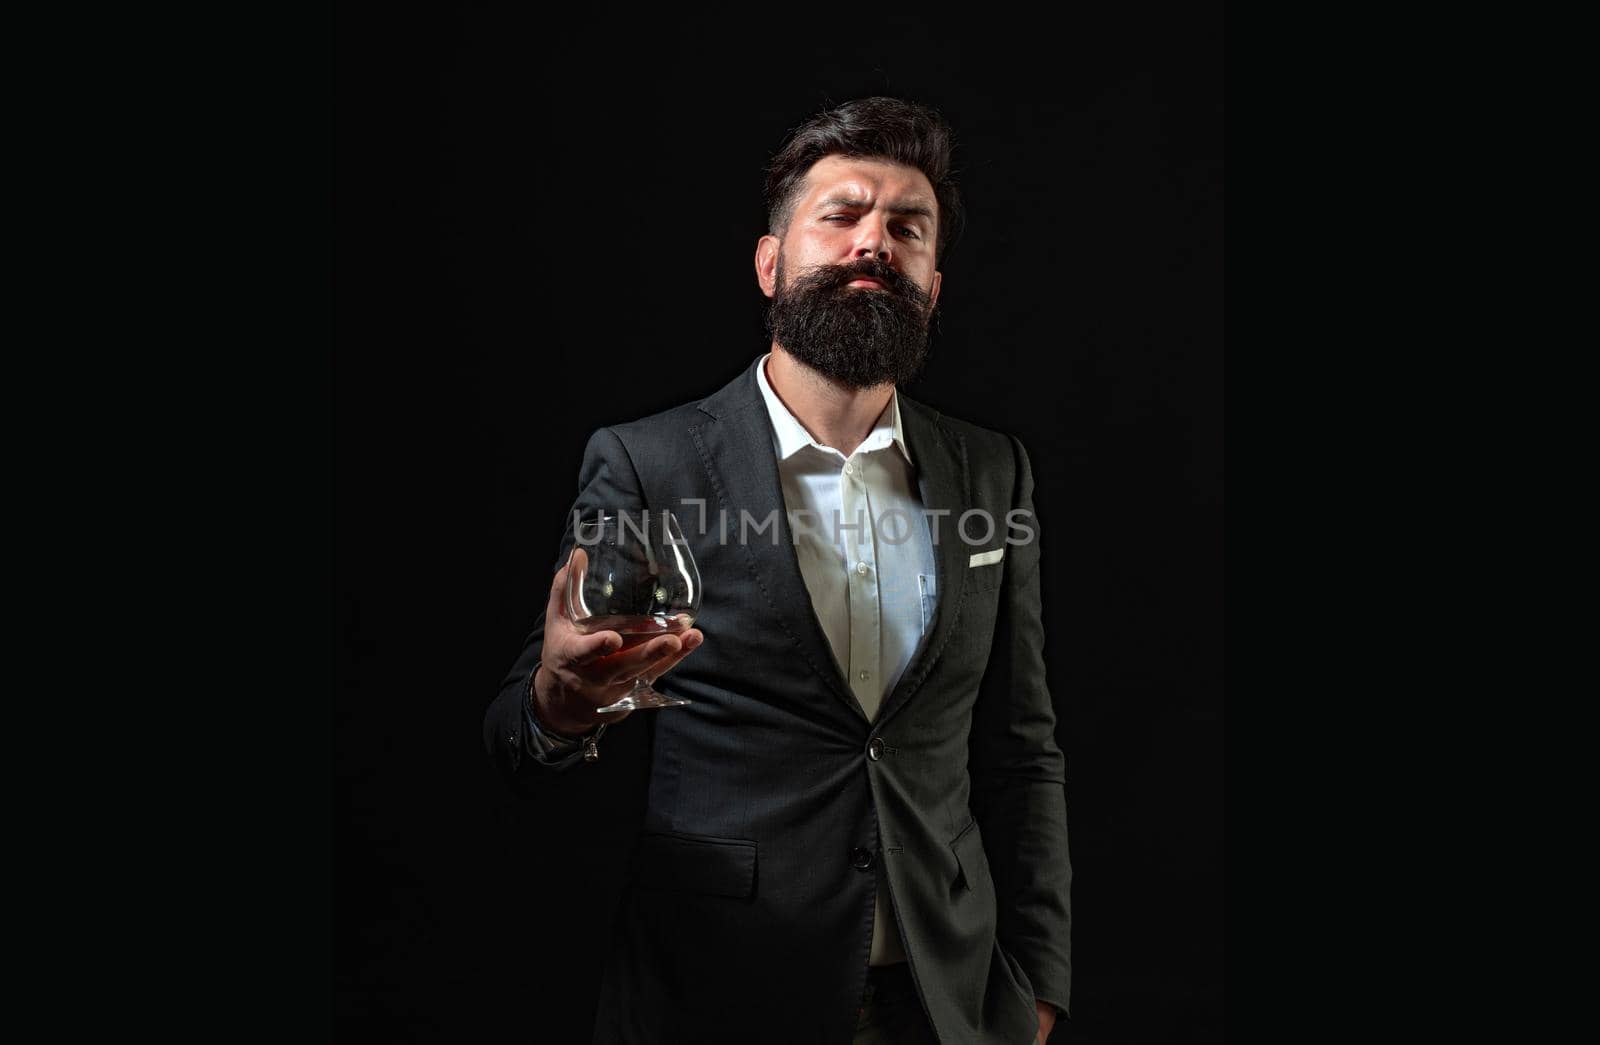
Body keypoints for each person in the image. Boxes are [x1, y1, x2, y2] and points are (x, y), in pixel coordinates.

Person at [484, 96, 1071, 1044]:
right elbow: (516, 734)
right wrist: (562, 697)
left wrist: (1038, 987)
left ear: (932, 280)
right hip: (717, 994)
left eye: (905, 227)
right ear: (771, 264)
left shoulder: (991, 470)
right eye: (841, 215)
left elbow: (1022, 745)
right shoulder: (650, 463)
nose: (873, 241)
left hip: (944, 1002)